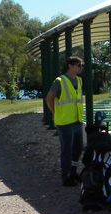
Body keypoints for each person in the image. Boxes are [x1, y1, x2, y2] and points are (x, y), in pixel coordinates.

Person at [44, 56, 85, 187]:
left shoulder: (79, 80)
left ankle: (73, 172)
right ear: (70, 66)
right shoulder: (60, 81)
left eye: (81, 65)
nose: (81, 67)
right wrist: (55, 113)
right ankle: (65, 176)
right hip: (65, 122)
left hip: (77, 120)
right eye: (78, 65)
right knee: (67, 149)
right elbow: (49, 98)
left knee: (78, 148)